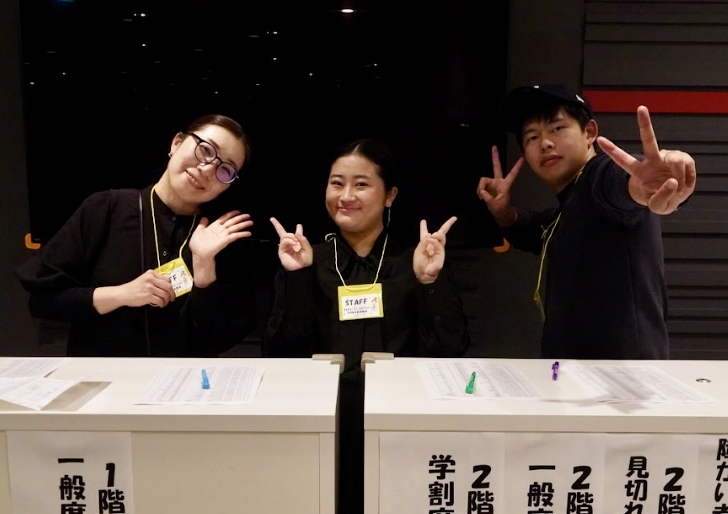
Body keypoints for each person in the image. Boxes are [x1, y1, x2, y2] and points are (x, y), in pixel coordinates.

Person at [263, 138, 471, 514]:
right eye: (336, 183)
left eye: (361, 184)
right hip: (322, 422)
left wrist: (429, 282)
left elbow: (450, 350)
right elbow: (280, 354)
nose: (345, 196)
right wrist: (297, 278)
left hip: (398, 422)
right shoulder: (308, 258)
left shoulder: (415, 259)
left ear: (389, 195)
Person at [477, 84, 697, 359]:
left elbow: (618, 183)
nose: (545, 143)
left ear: (589, 132)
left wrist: (648, 185)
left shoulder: (597, 178)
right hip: (576, 375)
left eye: (557, 128)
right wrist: (504, 213)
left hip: (623, 379)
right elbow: (534, 229)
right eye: (532, 137)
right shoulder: (568, 208)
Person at [16, 114, 258, 357]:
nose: (207, 169)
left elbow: (216, 342)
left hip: (182, 380)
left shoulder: (222, 240)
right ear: (176, 143)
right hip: (104, 377)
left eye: (225, 170)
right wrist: (122, 294)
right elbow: (43, 301)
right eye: (205, 150)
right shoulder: (105, 209)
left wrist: (204, 267)